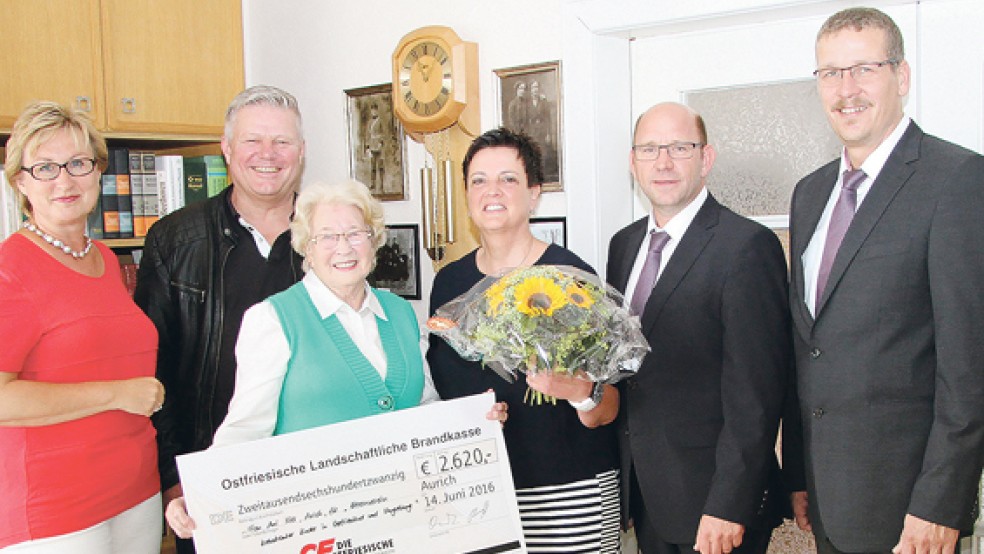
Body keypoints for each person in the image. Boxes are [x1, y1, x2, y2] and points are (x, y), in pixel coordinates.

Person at [164, 179, 508, 537]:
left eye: (355, 234)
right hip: (320, 527)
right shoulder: (272, 319)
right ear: (306, 249)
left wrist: (473, 423)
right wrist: (201, 495)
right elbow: (246, 428)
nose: (343, 248)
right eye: (326, 236)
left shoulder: (402, 313)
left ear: (374, 241)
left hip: (406, 522)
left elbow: (423, 407)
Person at [783, 7, 984, 554]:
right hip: (828, 500)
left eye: (864, 69)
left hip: (910, 511)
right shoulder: (810, 193)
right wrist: (799, 471)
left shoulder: (956, 180)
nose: (846, 89)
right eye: (831, 73)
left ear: (902, 76)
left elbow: (969, 367)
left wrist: (940, 502)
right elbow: (810, 346)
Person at [607, 102, 790, 554]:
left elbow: (757, 394)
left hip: (716, 506)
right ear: (633, 162)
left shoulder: (747, 247)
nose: (663, 162)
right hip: (648, 496)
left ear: (706, 158)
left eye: (679, 147)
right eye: (649, 149)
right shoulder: (623, 246)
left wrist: (729, 503)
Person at [428, 127, 621, 553]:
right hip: (482, 496)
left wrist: (578, 391)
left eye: (508, 179)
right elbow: (441, 392)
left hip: (570, 495)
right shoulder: (448, 284)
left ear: (534, 194)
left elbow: (610, 407)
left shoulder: (570, 280)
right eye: (479, 180)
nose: (492, 191)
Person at [133, 85, 306, 554]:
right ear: (227, 149)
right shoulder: (174, 240)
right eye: (252, 140)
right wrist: (174, 478)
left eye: (282, 141)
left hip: (311, 480)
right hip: (211, 481)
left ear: (301, 151)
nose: (268, 154)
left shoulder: (332, 238)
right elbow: (153, 372)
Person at [0, 102, 164, 552]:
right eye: (45, 168)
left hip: (134, 488)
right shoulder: (11, 269)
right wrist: (116, 394)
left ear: (98, 172)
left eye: (78, 163)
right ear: (20, 182)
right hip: (57, 509)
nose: (65, 181)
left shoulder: (106, 259)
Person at [365, 103, 385, 193]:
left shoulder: (380, 121)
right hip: (372, 146)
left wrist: (381, 142)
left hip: (379, 146)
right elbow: (367, 135)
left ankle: (381, 184)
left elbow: (383, 133)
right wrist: (367, 147)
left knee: (380, 166)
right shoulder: (369, 122)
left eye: (375, 110)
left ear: (377, 111)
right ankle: (373, 184)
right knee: (373, 167)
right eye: (372, 110)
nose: (373, 112)